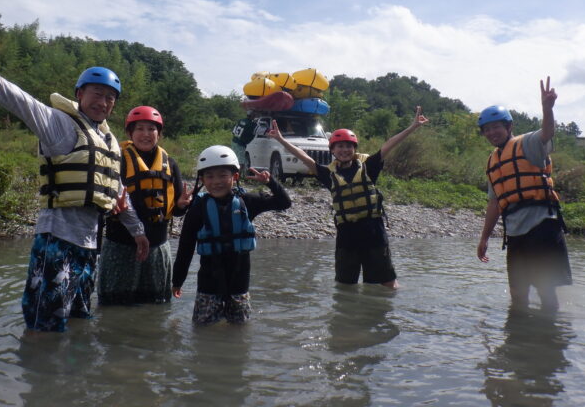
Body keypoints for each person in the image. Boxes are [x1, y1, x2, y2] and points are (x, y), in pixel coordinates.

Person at [0, 33, 149, 332]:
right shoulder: (58, 123)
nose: (103, 101)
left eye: (110, 97)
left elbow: (118, 190)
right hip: (57, 238)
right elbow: (20, 101)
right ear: (79, 94)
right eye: (96, 93)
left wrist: (138, 231)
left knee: (81, 318)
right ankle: (41, 371)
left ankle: (76, 374)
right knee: (47, 322)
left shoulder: (108, 141)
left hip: (91, 244)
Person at [267, 107, 429, 288]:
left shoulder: (369, 167)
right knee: (344, 286)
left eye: (348, 146)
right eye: (340, 146)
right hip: (347, 234)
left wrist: (413, 127)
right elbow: (304, 157)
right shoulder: (328, 174)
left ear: (354, 149)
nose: (344, 150)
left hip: (373, 232)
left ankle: (383, 313)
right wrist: (281, 140)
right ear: (333, 150)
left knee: (387, 283)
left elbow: (388, 145)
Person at [476, 77, 572, 312]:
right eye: (487, 129)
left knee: (545, 292)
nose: (492, 132)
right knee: (518, 295)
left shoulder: (527, 143)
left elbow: (547, 132)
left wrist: (547, 109)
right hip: (515, 233)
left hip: (542, 226)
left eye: (496, 127)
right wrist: (484, 238)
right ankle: (518, 343)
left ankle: (549, 341)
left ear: (509, 127)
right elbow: (494, 203)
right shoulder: (492, 162)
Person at [171, 145, 291, 325]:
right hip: (208, 287)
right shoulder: (197, 209)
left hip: (239, 286)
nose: (216, 181)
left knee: (239, 333)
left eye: (222, 175)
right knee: (203, 331)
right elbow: (185, 248)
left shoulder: (248, 202)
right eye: (209, 176)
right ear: (202, 179)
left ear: (235, 177)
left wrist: (270, 182)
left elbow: (284, 203)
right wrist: (177, 281)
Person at [98, 105, 191, 304]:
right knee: (115, 307)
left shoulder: (170, 164)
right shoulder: (117, 159)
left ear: (159, 133)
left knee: (157, 306)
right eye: (139, 129)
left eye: (151, 129)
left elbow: (175, 212)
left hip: (158, 247)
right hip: (121, 245)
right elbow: (103, 199)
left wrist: (182, 206)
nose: (145, 134)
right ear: (130, 133)